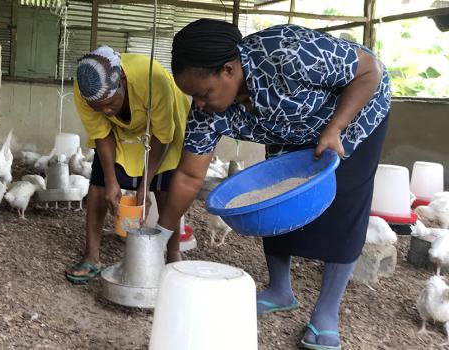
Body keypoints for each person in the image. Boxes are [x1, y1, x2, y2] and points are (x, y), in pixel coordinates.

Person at [156, 19, 391, 350]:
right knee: (273, 198)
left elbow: (369, 72)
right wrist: (161, 237)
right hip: (292, 131)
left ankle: (326, 313)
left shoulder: (287, 54)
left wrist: (336, 126)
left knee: (344, 204)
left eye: (202, 93)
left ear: (228, 69)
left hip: (354, 117)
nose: (198, 104)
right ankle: (280, 290)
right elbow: (188, 176)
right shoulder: (206, 114)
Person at [65, 46, 190, 283]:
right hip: (120, 132)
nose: (106, 110)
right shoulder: (85, 91)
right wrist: (112, 181)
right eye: (98, 108)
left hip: (162, 128)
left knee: (167, 189)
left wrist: (145, 184)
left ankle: (173, 256)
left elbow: (163, 136)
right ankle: (92, 256)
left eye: (111, 102)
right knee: (99, 185)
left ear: (122, 78)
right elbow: (101, 133)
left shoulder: (153, 80)